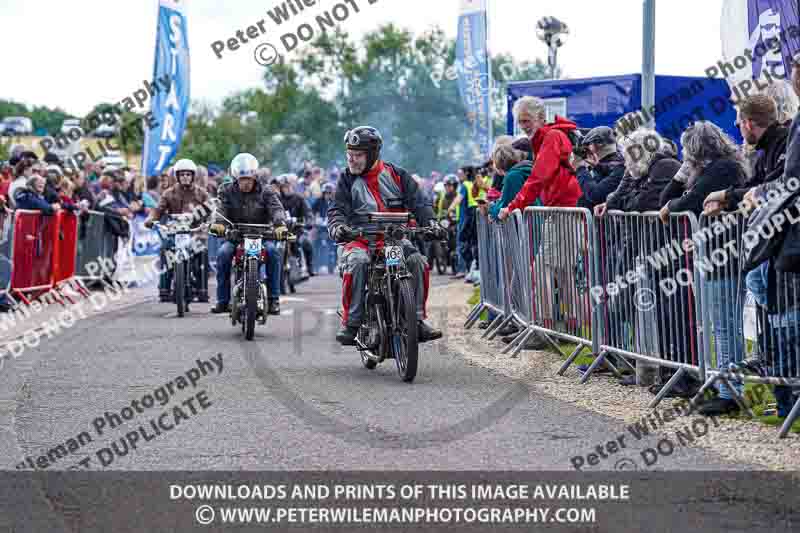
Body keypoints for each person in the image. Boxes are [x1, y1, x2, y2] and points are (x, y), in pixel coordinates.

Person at [660, 121, 748, 416]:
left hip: (727, 254)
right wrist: (683, 172)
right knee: (719, 326)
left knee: (725, 327)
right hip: (715, 254)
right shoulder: (713, 168)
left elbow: (689, 201)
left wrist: (674, 204)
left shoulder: (722, 169)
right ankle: (723, 383)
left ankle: (731, 392)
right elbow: (671, 199)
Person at [327, 126, 443, 345]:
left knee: (418, 261)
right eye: (349, 154)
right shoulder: (346, 179)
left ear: (372, 154)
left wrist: (432, 224)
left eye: (358, 155)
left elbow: (419, 204)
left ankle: (416, 321)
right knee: (358, 262)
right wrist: (338, 226)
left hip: (395, 239)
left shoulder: (398, 175)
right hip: (359, 240)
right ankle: (351, 323)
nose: (352, 160)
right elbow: (337, 210)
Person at [209, 153, 287, 316]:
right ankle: (222, 300)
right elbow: (221, 208)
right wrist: (219, 223)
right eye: (242, 179)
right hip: (236, 236)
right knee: (223, 254)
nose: (245, 183)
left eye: (248, 179)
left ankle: (273, 299)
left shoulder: (266, 191)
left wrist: (280, 225)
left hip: (263, 235)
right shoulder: (226, 190)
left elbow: (277, 209)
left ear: (254, 178)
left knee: (273, 253)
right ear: (236, 178)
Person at [145, 158, 211, 303]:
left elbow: (211, 210)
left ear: (193, 176)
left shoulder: (201, 193)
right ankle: (164, 289)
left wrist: (210, 222)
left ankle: (202, 290)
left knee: (202, 251)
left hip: (194, 231)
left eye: (188, 174)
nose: (185, 177)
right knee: (165, 249)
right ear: (177, 176)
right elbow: (158, 209)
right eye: (182, 174)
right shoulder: (169, 193)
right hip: (174, 232)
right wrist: (151, 219)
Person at [574, 126, 625, 211]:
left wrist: (580, 169)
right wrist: (597, 167)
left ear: (599, 144)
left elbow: (595, 195)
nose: (586, 149)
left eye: (589, 144)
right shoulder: (611, 165)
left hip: (608, 222)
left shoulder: (619, 167)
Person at [278, 175, 315, 276]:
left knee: (307, 243)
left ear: (292, 186)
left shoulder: (299, 198)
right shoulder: (277, 199)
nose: (287, 188)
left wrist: (309, 221)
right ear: (280, 188)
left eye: (288, 186)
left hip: (297, 230)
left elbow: (308, 212)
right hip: (281, 230)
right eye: (284, 186)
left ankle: (309, 267)